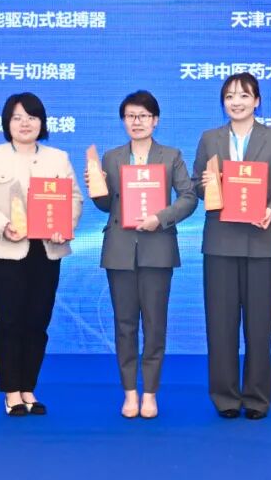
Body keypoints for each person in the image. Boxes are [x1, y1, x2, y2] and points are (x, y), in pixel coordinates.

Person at [0, 92, 83, 416]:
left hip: (47, 250)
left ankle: (29, 387)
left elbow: (74, 198)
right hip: (7, 250)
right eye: (17, 118)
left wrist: (64, 227)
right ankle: (11, 390)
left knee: (38, 320)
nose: (25, 123)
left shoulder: (58, 158)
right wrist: (2, 225)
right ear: (7, 123)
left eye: (31, 117)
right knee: (9, 320)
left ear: (42, 122)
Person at [192, 72, 271, 420]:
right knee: (220, 326)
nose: (236, 102)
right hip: (220, 242)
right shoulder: (210, 139)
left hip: (261, 242)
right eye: (229, 96)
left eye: (244, 95)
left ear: (257, 101)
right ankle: (224, 397)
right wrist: (209, 185)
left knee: (259, 326)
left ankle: (256, 398)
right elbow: (195, 185)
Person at [89, 90, 197, 419]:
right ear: (123, 121)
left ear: (155, 120)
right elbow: (106, 206)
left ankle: (150, 392)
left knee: (154, 324)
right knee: (124, 325)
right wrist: (96, 188)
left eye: (143, 116)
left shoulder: (171, 156)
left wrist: (160, 218)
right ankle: (129, 393)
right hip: (120, 250)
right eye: (130, 116)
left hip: (157, 249)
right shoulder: (111, 157)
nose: (137, 122)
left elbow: (189, 197)